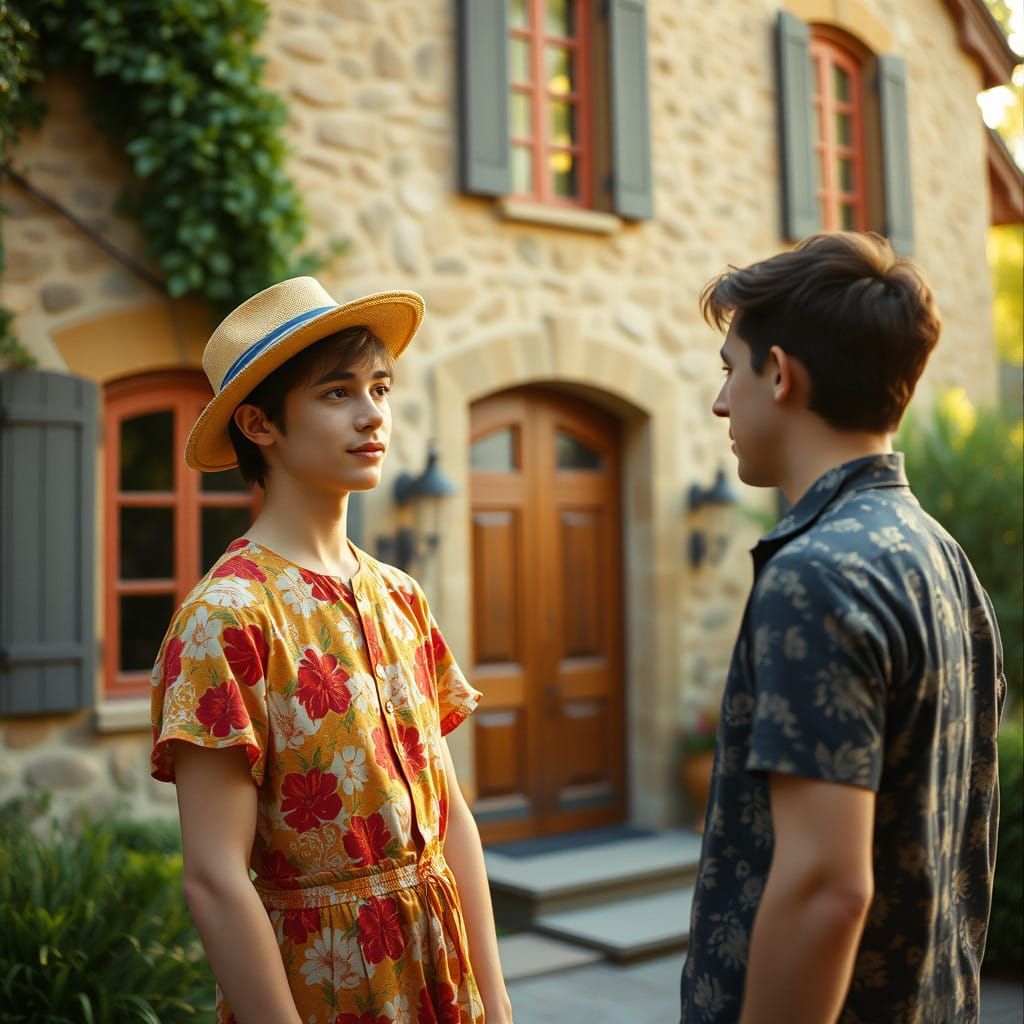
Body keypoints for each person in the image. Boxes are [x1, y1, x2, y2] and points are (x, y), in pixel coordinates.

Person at [150, 277, 513, 1024]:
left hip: (445, 979)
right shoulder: (227, 618)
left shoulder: (400, 595)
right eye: (338, 393)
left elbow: (450, 817)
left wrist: (498, 1000)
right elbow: (214, 878)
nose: (373, 413)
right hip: (327, 987)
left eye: (379, 387)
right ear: (259, 424)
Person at [679, 233, 1005, 1024]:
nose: (722, 401)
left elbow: (828, 887)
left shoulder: (815, 574)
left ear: (781, 375)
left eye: (731, 369)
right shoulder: (941, 556)